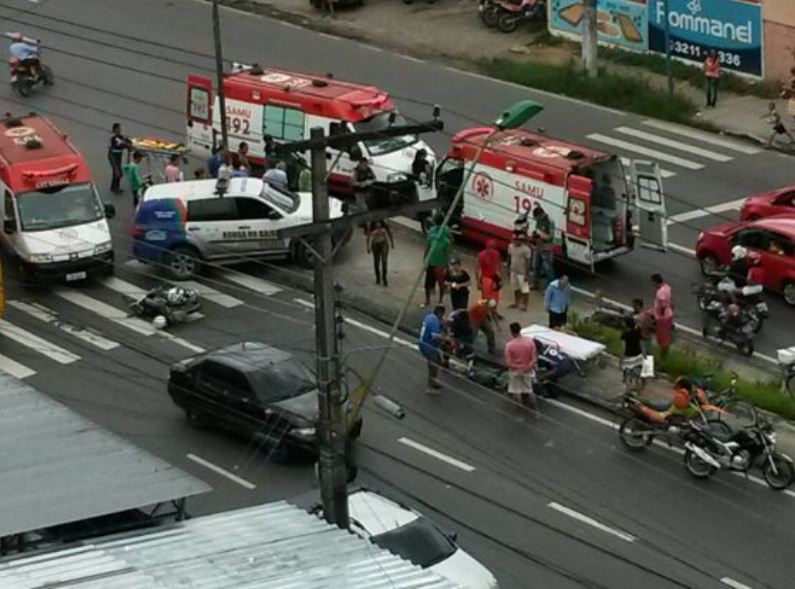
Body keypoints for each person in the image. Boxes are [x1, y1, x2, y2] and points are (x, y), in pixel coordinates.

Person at [504, 322, 539, 416]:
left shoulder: (509, 345)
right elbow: (534, 358)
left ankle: (519, 411)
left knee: (517, 391)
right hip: (527, 370)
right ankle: (535, 411)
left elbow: (508, 362)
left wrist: (518, 368)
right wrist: (527, 367)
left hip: (515, 371)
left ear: (511, 332)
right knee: (529, 390)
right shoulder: (530, 342)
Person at [423, 214, 452, 307]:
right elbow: (427, 249)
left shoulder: (434, 235)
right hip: (435, 263)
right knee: (431, 284)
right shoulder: (433, 235)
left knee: (439, 283)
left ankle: (436, 300)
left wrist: (425, 260)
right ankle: (434, 300)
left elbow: (427, 249)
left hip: (438, 264)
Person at [419, 305, 446, 392]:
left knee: (437, 361)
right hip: (428, 346)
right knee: (433, 365)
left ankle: (433, 380)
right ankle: (430, 386)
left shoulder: (430, 317)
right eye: (442, 314)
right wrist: (445, 338)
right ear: (439, 313)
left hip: (427, 344)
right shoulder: (434, 321)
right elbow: (435, 336)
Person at [531, 205, 556, 289]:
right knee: (535, 266)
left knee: (548, 269)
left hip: (546, 248)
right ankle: (535, 284)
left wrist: (541, 234)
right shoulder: (539, 221)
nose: (537, 220)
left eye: (537, 217)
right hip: (538, 246)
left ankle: (550, 287)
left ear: (541, 214)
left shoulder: (549, 221)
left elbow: (550, 237)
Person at [507, 232, 532, 311]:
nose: (516, 241)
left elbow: (528, 262)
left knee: (525, 289)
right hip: (513, 271)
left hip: (522, 272)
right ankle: (516, 302)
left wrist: (527, 275)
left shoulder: (526, 249)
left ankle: (525, 305)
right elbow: (509, 257)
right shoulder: (510, 246)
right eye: (515, 240)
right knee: (515, 288)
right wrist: (508, 268)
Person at [651, 273, 674, 359]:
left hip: (663, 318)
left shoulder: (660, 292)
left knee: (662, 339)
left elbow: (663, 305)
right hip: (669, 315)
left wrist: (660, 314)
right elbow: (670, 301)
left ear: (655, 282)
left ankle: (663, 357)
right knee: (666, 336)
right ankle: (664, 354)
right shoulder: (667, 287)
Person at [366, 220, 394, 286]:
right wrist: (368, 246)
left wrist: (392, 242)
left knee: (384, 260)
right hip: (375, 243)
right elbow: (368, 235)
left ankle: (384, 277)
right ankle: (378, 277)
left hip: (383, 242)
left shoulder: (384, 222)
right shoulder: (371, 223)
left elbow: (390, 231)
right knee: (376, 261)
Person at [476, 239, 502, 306]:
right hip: (488, 278)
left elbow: (478, 270)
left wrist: (478, 282)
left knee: (491, 297)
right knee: (489, 298)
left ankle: (485, 310)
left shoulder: (482, 254)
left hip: (489, 279)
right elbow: (498, 269)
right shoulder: (496, 254)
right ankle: (483, 310)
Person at [108, 123, 130, 194]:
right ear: (115, 129)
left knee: (116, 172)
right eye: (118, 129)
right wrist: (127, 145)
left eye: (120, 128)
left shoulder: (119, 136)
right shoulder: (113, 138)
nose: (120, 130)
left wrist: (127, 140)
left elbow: (125, 140)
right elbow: (121, 144)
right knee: (118, 172)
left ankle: (113, 187)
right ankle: (116, 188)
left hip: (118, 156)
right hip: (113, 156)